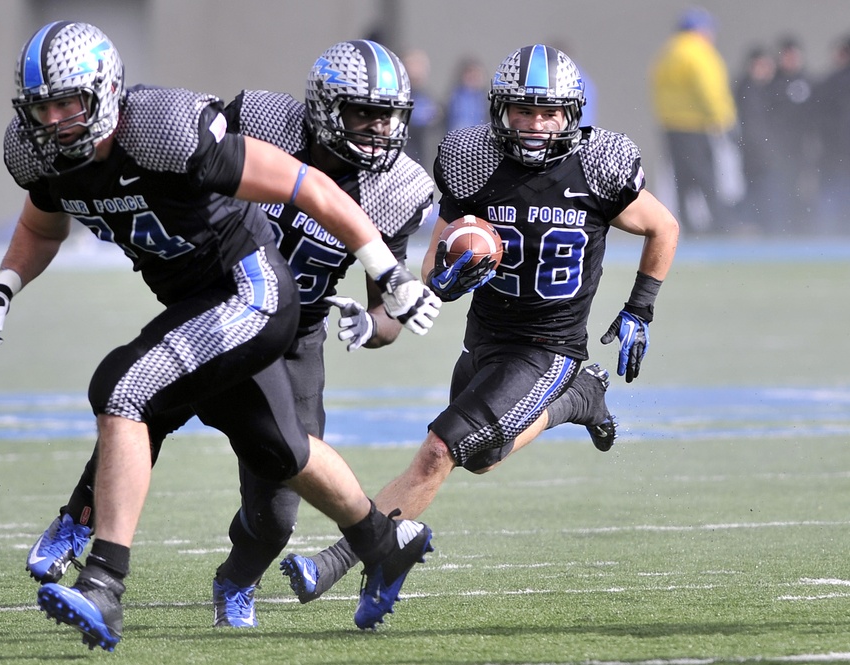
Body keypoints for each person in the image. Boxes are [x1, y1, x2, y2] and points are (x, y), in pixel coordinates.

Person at [0, 22, 442, 651]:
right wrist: (4, 283)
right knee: (282, 451)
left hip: (255, 296)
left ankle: (101, 577)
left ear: (106, 93)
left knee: (125, 386)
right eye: (42, 108)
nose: (54, 122)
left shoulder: (164, 129)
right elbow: (43, 222)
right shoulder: (39, 155)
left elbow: (308, 186)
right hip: (200, 302)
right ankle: (383, 544)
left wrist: (385, 275)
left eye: (70, 105)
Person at [279, 44, 679, 604]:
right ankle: (578, 400)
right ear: (500, 111)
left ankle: (345, 560)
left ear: (572, 114)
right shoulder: (474, 159)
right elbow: (433, 260)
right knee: (483, 456)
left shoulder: (598, 164)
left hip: (548, 345)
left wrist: (641, 306)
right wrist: (447, 278)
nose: (536, 125)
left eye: (549, 112)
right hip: (487, 336)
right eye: (523, 111)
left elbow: (664, 227)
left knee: (439, 452)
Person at [649, 6, 737, 234]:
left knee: (683, 180)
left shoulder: (666, 53)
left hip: (671, 127)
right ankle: (719, 226)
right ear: (701, 30)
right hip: (697, 127)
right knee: (708, 179)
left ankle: (688, 225)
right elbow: (710, 90)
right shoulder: (699, 52)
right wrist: (725, 120)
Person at [767, 36, 816, 232]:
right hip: (777, 150)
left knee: (803, 191)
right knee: (779, 190)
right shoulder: (772, 84)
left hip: (802, 149)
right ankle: (778, 230)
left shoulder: (809, 82)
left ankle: (802, 228)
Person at [733, 46, 779, 232]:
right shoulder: (748, 90)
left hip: (762, 153)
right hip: (755, 154)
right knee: (757, 190)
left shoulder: (766, 88)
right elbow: (752, 126)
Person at [812, 34, 850, 234]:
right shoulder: (832, 82)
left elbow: (817, 118)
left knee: (830, 197)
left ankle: (825, 238)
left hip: (834, 152)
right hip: (837, 153)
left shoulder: (831, 82)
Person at [401, 48, 443, 173]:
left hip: (421, 162)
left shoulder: (429, 99)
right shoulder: (399, 99)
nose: (417, 72)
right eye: (413, 66)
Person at [445, 55, 489, 132]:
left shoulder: (486, 100)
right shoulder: (452, 98)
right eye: (469, 73)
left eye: (476, 74)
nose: (473, 77)